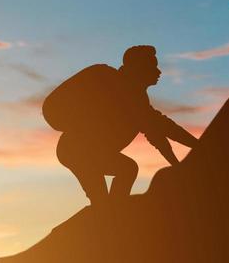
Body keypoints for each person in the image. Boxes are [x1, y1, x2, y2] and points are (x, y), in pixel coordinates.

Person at [53, 45, 198, 206]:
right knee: (115, 183)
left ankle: (114, 209)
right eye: (152, 67)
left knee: (126, 170)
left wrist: (188, 155)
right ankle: (111, 212)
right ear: (139, 69)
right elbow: (160, 130)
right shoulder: (123, 91)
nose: (158, 72)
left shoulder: (137, 99)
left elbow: (160, 131)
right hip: (77, 150)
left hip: (82, 150)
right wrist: (192, 151)